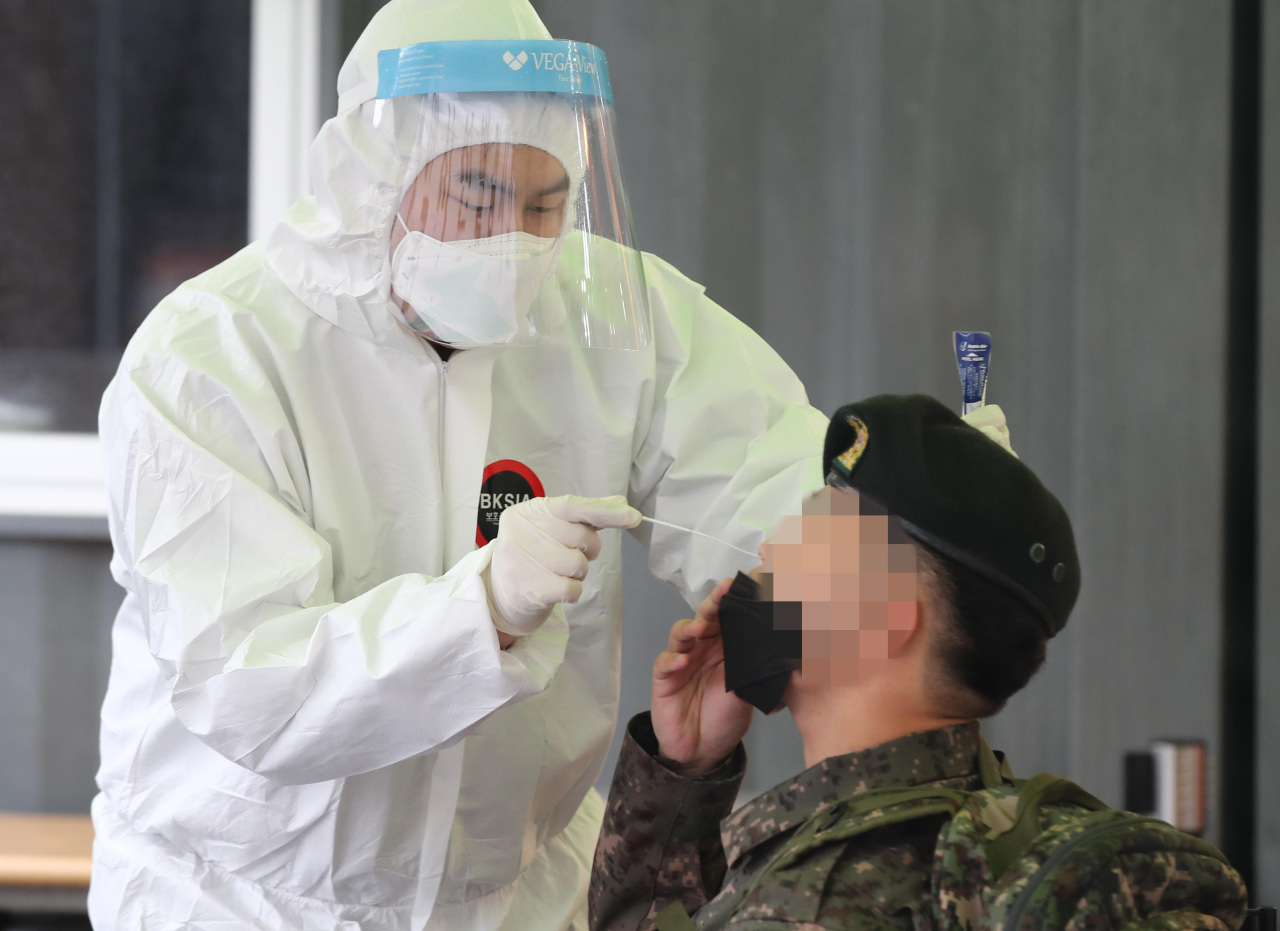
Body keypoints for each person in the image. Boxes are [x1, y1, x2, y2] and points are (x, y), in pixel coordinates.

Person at [89, 2, 1012, 929]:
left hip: (516, 898)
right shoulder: (213, 361)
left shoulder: (608, 313)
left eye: (546, 203)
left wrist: (916, 528)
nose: (515, 242)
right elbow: (250, 685)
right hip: (240, 903)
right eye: (478, 195)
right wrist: (478, 610)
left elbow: (772, 497)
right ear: (375, 173)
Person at [590, 394, 1245, 931]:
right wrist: (686, 767)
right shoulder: (1003, 846)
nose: (770, 546)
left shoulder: (809, 899)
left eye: (813, 528)